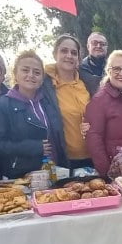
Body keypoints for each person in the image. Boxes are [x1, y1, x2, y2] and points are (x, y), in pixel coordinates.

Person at [0, 51, 58, 179]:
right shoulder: (2, 105)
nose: (31, 75)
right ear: (15, 74)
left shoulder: (48, 103)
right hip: (20, 175)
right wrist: (34, 147)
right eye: (25, 70)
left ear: (42, 78)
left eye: (37, 72)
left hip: (52, 171)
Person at [44, 34, 100, 169]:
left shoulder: (89, 84)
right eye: (64, 51)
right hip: (63, 161)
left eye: (74, 53)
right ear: (54, 54)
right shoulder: (44, 86)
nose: (69, 56)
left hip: (92, 158)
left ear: (79, 58)